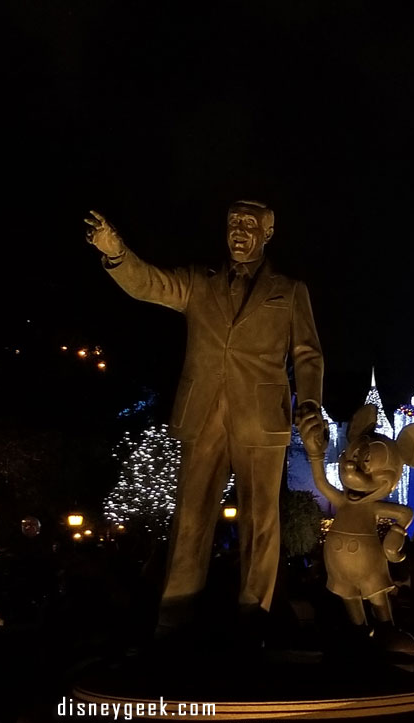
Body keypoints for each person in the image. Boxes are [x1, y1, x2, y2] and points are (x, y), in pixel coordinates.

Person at [85, 202, 324, 637]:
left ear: (268, 233)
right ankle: (173, 619)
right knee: (190, 519)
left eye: (249, 225)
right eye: (233, 223)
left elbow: (307, 354)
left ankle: (255, 620)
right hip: (203, 413)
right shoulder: (199, 282)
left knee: (260, 522)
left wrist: (310, 404)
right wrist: (117, 253)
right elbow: (150, 284)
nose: (238, 232)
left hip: (261, 417)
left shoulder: (289, 290)